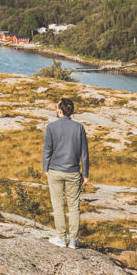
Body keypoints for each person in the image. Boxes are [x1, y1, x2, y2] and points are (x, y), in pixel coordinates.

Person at [42, 97, 89, 249]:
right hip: (73, 172)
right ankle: (74, 241)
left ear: (60, 110)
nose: (56, 110)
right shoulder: (79, 127)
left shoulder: (51, 127)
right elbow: (84, 153)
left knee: (58, 205)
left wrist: (45, 168)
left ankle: (62, 239)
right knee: (74, 207)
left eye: (57, 108)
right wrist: (85, 173)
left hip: (55, 170)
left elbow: (47, 150)